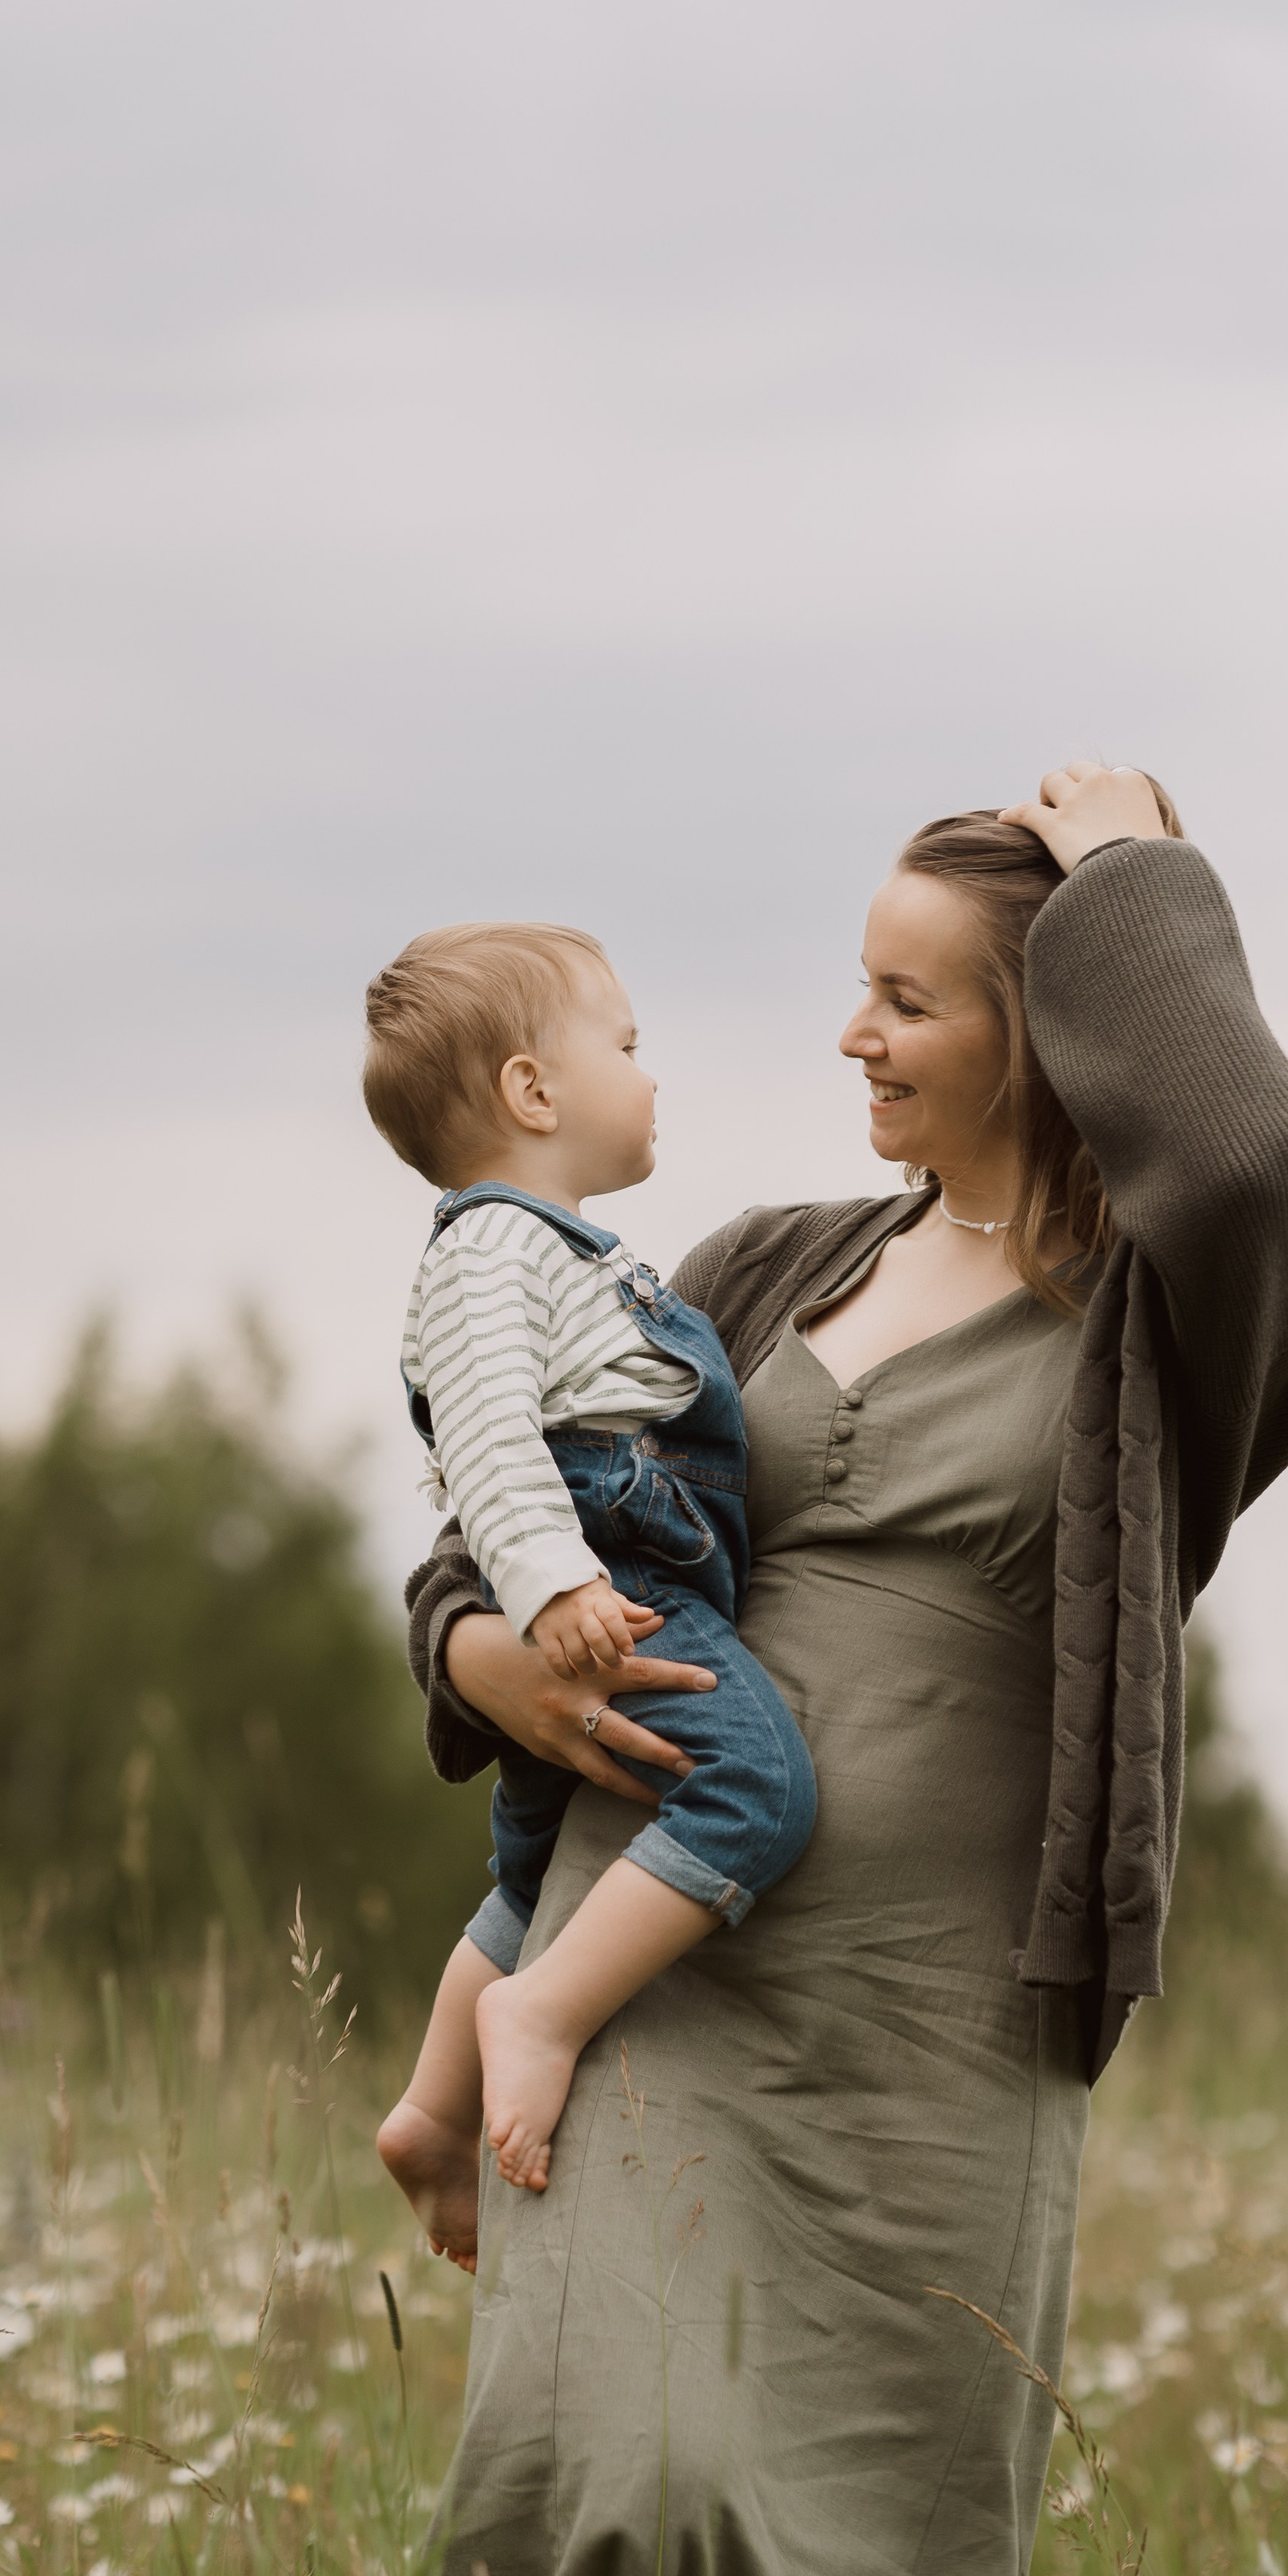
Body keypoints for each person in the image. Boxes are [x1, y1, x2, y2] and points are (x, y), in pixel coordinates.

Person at [404, 764, 1288, 2576]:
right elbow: (493, 1502)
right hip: (650, 1972)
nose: (853, 1035)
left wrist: (1138, 877)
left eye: (907, 999)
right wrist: (483, 1654)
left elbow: (1234, 1152)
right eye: (859, 989)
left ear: (1045, 1028)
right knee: (567, 2502)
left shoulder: (1179, 1326)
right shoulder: (759, 1268)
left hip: (927, 2032)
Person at [363, 920, 817, 2269]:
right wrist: (555, 1587)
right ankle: (543, 2015)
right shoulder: (495, 1249)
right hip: (612, 1574)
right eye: (626, 1046)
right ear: (532, 1092)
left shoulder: (559, 1252)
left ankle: (433, 2114)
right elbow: (493, 1437)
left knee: (535, 1858)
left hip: (618, 1562)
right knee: (756, 1789)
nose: (650, 1074)